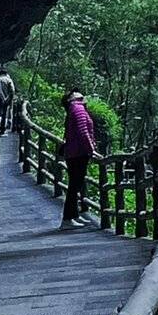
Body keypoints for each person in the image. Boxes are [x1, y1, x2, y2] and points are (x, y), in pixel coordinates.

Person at [61, 88, 98, 225]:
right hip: (78, 153)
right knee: (74, 186)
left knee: (76, 185)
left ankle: (73, 215)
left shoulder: (73, 108)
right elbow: (83, 132)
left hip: (74, 152)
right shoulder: (78, 109)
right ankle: (67, 219)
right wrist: (91, 149)